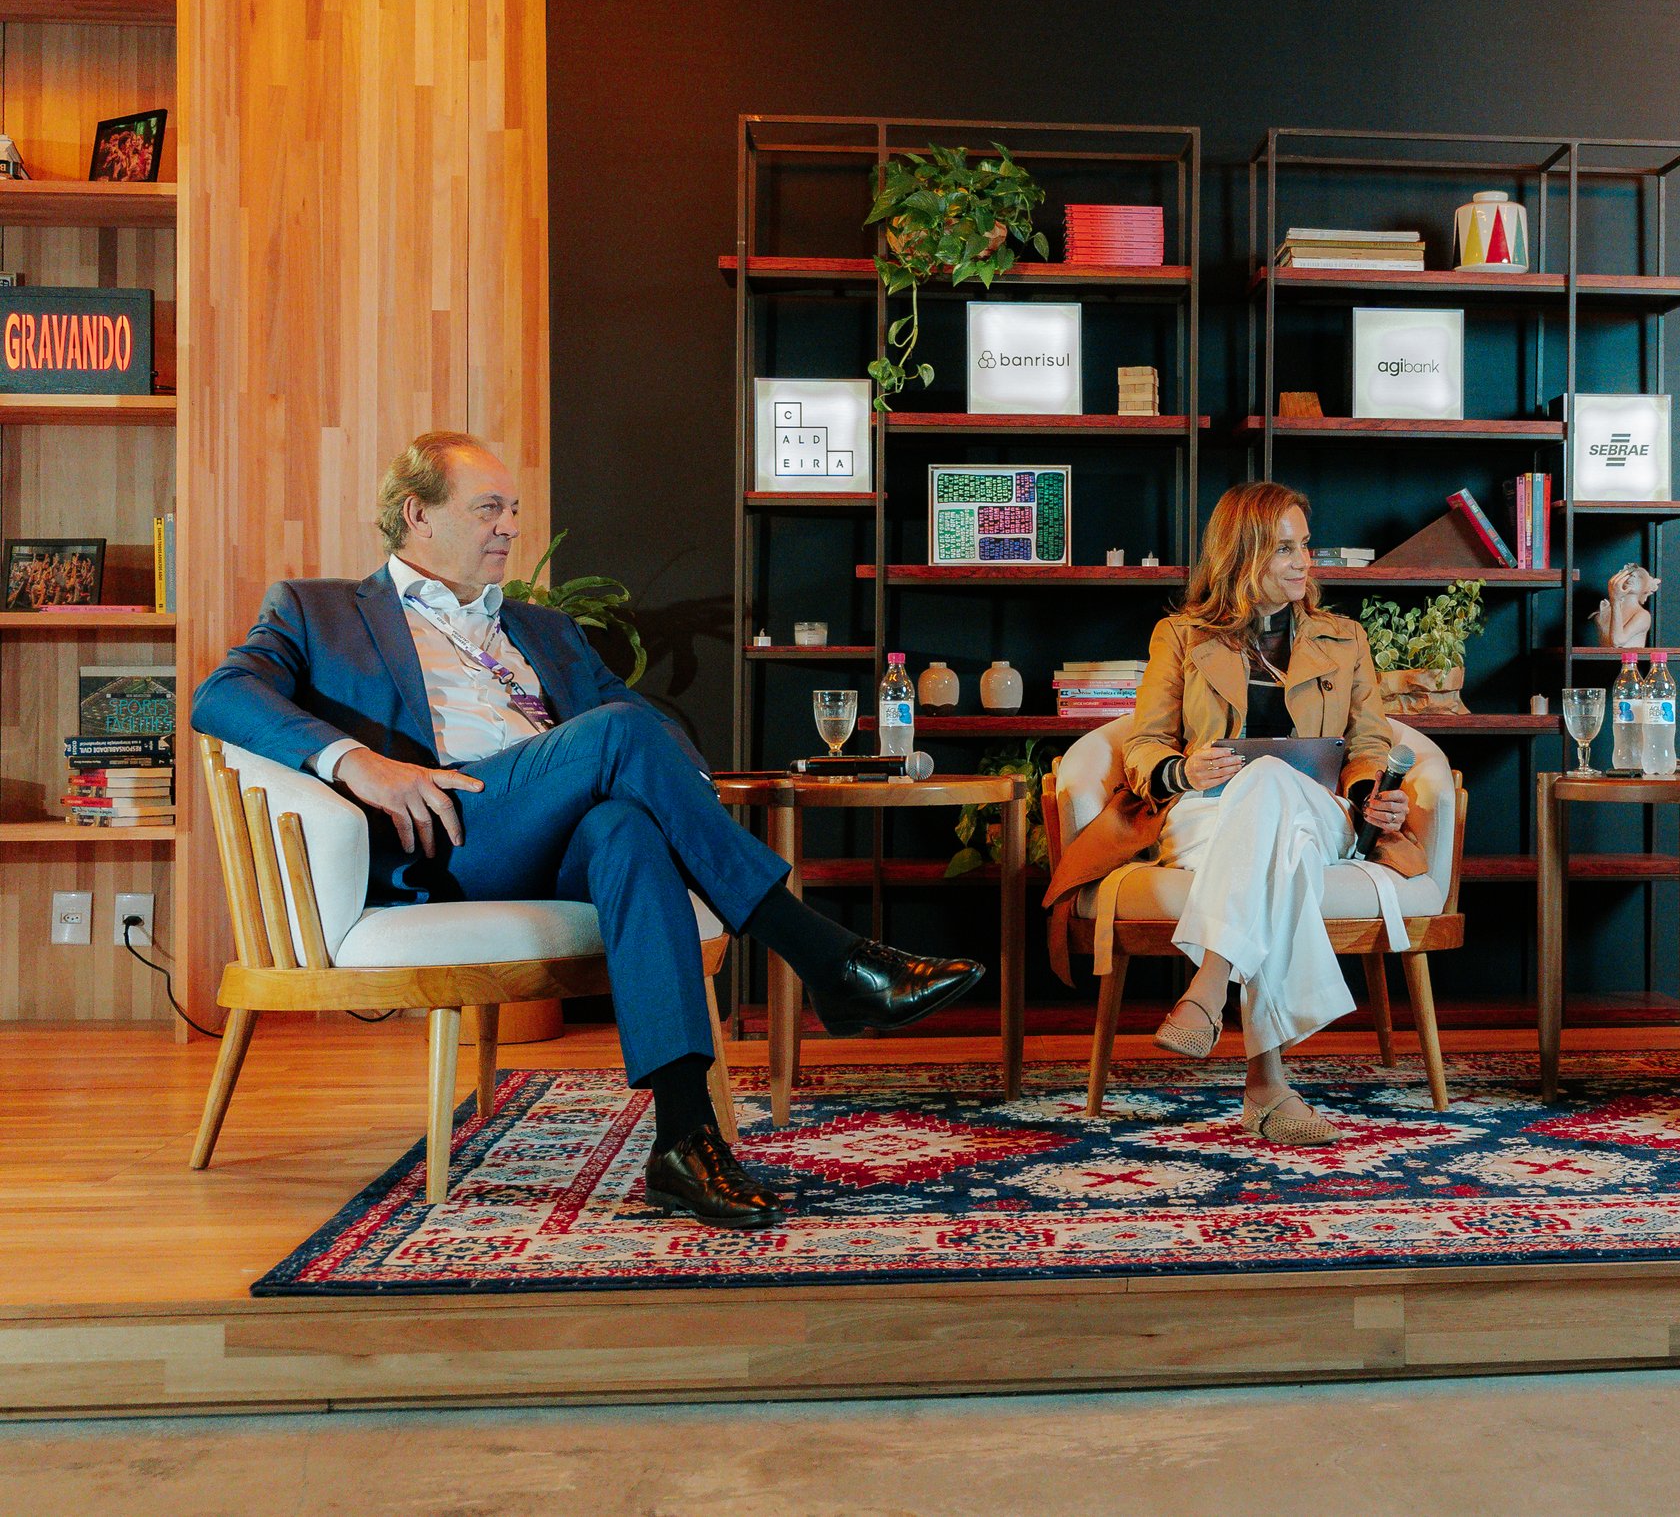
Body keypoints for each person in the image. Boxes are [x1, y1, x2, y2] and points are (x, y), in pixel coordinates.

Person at [192, 431, 986, 1229]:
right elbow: (221, 695)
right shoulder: (320, 610)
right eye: (488, 508)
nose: (510, 526)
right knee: (615, 736)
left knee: (627, 830)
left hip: (563, 827)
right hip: (451, 831)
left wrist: (678, 792)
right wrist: (356, 762)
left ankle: (684, 1140)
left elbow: (648, 725)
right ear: (417, 515)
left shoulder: (543, 628)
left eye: (512, 509)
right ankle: (826, 956)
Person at [1046, 482, 1426, 1145]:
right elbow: (1144, 742)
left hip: (1321, 813)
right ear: (1242, 552)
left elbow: (1368, 744)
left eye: (1305, 545)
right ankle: (1265, 1084)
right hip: (1208, 816)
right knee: (1278, 843)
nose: (1303, 561)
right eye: (1284, 548)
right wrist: (1183, 770)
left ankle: (1209, 980)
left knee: (1273, 780)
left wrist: (1373, 791)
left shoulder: (1345, 639)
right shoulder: (1181, 636)